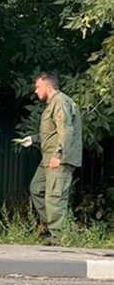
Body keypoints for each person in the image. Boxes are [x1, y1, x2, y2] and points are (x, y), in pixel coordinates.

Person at [16, 72, 83, 241]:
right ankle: (52, 226)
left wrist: (59, 155)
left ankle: (59, 238)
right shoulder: (53, 104)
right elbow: (52, 133)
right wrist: (33, 139)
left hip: (57, 159)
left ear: (48, 86)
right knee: (37, 188)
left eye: (38, 87)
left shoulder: (60, 102)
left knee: (55, 197)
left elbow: (66, 131)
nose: (36, 91)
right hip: (48, 158)